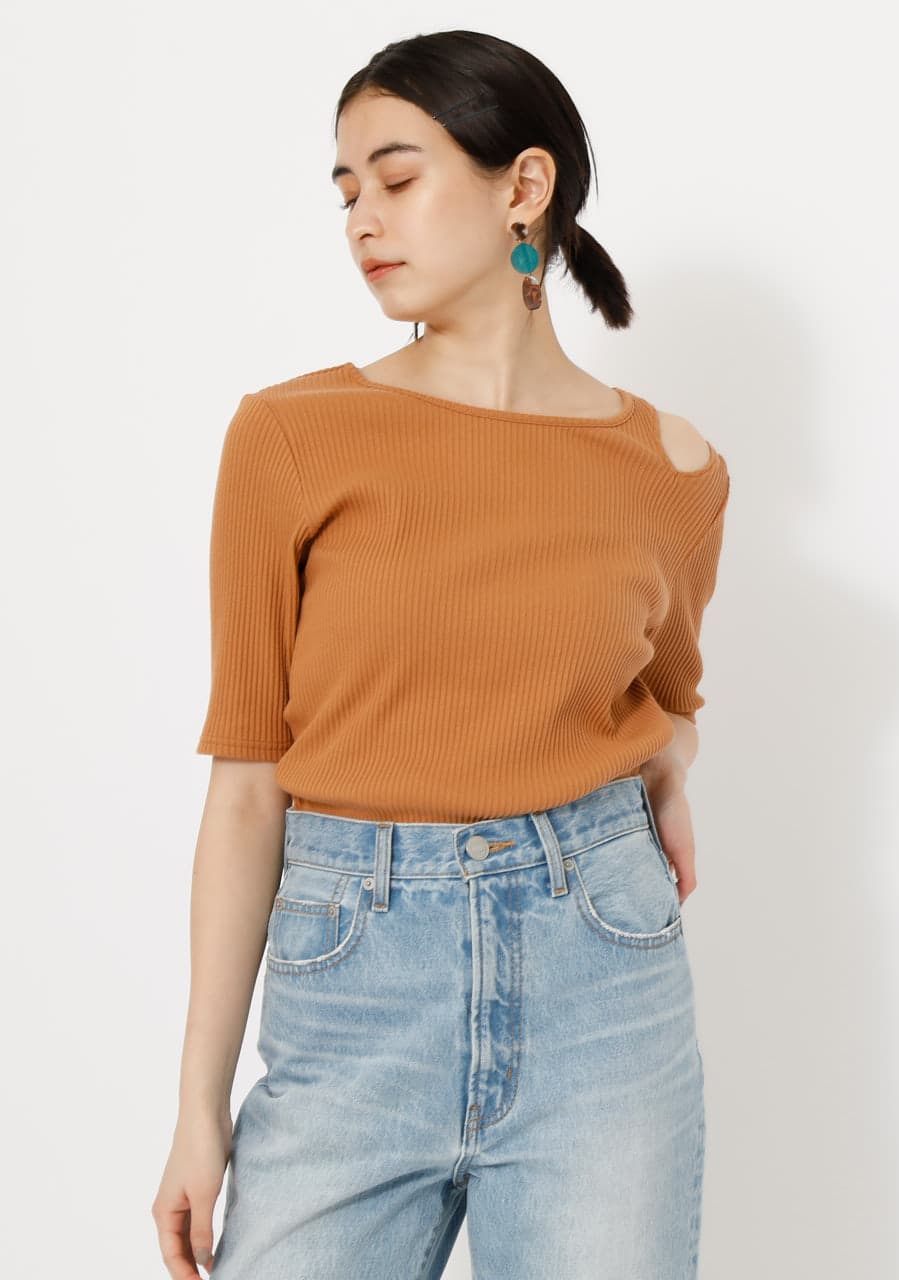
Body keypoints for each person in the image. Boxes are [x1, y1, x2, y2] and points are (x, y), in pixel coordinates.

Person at [152, 29, 730, 1280]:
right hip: (351, 980)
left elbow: (665, 692)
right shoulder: (291, 436)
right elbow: (246, 784)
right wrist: (199, 1107)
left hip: (601, 985)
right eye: (346, 191)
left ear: (524, 186)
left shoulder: (674, 469)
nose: (363, 218)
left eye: (398, 178)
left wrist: (667, 765)